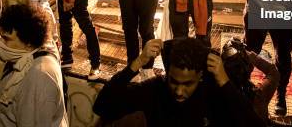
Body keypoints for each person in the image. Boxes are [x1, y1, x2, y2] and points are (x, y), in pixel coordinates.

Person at [93, 37, 265, 126]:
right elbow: (102, 106)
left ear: (199, 76)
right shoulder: (156, 89)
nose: (179, 91)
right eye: (174, 82)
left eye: (187, 84)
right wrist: (135, 64)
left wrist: (225, 83)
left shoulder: (212, 93)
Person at [0, 3, 67, 127]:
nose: (0, 44)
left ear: (28, 42)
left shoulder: (39, 77)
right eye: (1, 37)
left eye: (7, 39)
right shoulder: (23, 58)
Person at [221, 37, 280, 123]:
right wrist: (249, 55)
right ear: (248, 68)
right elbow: (274, 73)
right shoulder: (259, 96)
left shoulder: (216, 95)